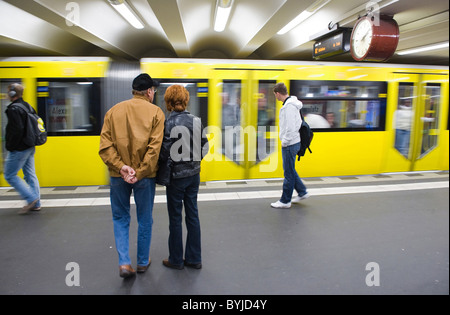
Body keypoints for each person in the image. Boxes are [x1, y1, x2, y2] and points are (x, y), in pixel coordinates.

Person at [99, 73, 165, 278]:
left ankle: (124, 263)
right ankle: (143, 262)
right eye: (153, 91)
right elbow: (154, 149)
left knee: (120, 217)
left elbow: (105, 147)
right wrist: (140, 171)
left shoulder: (112, 112)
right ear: (149, 92)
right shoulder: (156, 113)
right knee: (145, 218)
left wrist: (122, 168)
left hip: (119, 176)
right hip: (145, 177)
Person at [158, 85, 209, 270]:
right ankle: (194, 259)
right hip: (194, 175)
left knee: (175, 218)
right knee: (193, 215)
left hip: (176, 178)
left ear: (169, 102)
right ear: (186, 100)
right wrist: (194, 162)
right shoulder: (196, 120)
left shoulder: (168, 123)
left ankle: (176, 260)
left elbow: (164, 152)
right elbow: (205, 146)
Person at [4, 83, 41, 215]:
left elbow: (17, 130)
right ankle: (36, 203)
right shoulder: (28, 106)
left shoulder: (14, 109)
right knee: (30, 175)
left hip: (20, 148)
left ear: (12, 94)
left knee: (9, 175)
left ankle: (31, 198)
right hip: (30, 146)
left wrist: (10, 146)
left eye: (9, 92)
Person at [271, 83, 309, 209]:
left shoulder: (289, 107)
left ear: (277, 93)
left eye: (275, 95)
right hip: (294, 142)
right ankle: (302, 191)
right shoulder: (291, 104)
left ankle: (285, 200)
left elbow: (291, 127)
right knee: (290, 169)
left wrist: (285, 141)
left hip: (290, 143)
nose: (275, 97)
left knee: (288, 173)